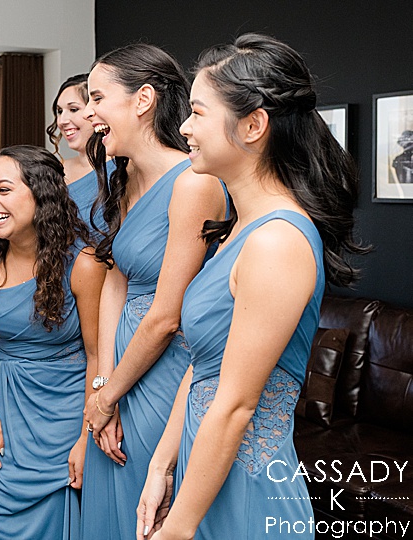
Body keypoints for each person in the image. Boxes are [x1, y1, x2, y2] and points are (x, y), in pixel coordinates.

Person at [136, 34, 365, 540]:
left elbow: (236, 407)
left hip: (248, 497)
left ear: (253, 125)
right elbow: (204, 364)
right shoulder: (240, 229)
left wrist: (178, 528)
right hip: (205, 475)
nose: (184, 127)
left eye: (197, 113)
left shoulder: (277, 242)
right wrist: (161, 465)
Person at [79, 44, 228, 540]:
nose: (90, 113)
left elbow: (167, 316)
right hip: (120, 375)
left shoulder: (193, 183)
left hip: (164, 372)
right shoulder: (125, 180)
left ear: (142, 99)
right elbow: (115, 282)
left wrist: (110, 396)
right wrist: (104, 386)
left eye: (97, 98)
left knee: (146, 513)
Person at [0, 145, 104, 540]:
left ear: (41, 194)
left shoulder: (84, 264)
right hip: (5, 412)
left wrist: (85, 438)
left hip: (64, 417)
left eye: (3, 190)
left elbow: (98, 356)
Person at [46, 74, 116, 238]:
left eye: (73, 110)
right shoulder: (56, 170)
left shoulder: (121, 167)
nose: (62, 121)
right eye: (59, 111)